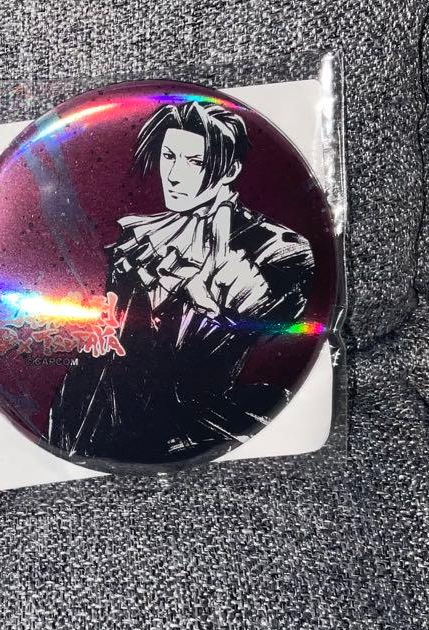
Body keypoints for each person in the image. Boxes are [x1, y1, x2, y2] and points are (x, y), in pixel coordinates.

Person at [47, 99, 314, 465]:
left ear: (230, 170)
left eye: (195, 162)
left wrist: (236, 293)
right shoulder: (139, 237)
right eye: (169, 156)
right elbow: (111, 337)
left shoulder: (275, 247)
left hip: (188, 434)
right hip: (90, 420)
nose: (173, 175)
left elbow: (284, 325)